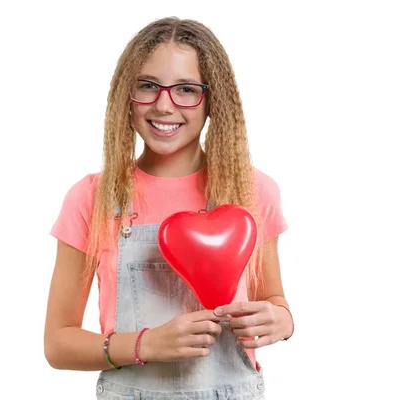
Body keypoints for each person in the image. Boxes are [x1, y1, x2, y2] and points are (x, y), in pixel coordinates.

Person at [44, 16, 294, 400]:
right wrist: (146, 345)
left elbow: (274, 300)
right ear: (126, 94)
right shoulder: (92, 198)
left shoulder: (252, 191)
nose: (164, 105)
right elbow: (58, 344)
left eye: (186, 89)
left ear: (213, 101)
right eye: (148, 86)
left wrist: (280, 320)